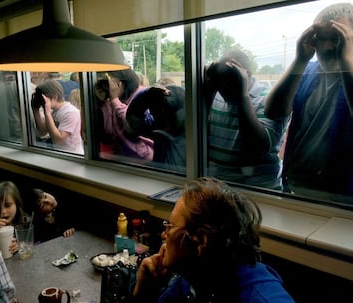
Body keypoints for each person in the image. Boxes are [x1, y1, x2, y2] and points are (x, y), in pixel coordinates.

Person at [264, 3, 353, 209]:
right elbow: (274, 111)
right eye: (321, 38)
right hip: (297, 191)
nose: (328, 47)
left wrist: (346, 59)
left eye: (337, 38)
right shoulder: (307, 70)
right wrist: (300, 60)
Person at [132, 177, 295, 303]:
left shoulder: (263, 297)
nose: (163, 234)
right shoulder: (192, 277)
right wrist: (145, 291)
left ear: (201, 240)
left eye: (171, 226)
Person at [205, 49, 288, 190]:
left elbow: (259, 146)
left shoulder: (268, 99)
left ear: (246, 75)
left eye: (230, 79)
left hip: (258, 188)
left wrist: (242, 95)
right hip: (219, 187)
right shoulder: (216, 93)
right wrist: (209, 87)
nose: (224, 87)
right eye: (221, 80)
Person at [93, 69, 153, 161]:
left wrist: (115, 100)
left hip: (143, 158)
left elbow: (132, 126)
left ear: (122, 83)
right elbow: (108, 135)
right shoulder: (118, 99)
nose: (110, 87)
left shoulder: (142, 96)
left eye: (112, 82)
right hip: (125, 157)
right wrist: (103, 102)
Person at [126, 85, 186, 173]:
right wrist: (147, 95)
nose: (154, 115)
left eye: (161, 112)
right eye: (154, 112)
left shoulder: (194, 133)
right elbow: (133, 118)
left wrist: (146, 95)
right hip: (161, 179)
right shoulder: (158, 128)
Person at [31, 79, 84, 154]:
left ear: (55, 97)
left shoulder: (70, 112)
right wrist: (36, 111)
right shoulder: (54, 111)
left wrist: (47, 113)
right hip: (60, 154)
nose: (42, 102)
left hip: (73, 156)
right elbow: (43, 132)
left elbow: (57, 139)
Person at [0, 181, 29, 256]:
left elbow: (34, 244)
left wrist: (20, 246)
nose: (2, 211)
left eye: (7, 205)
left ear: (17, 203)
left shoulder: (26, 222)